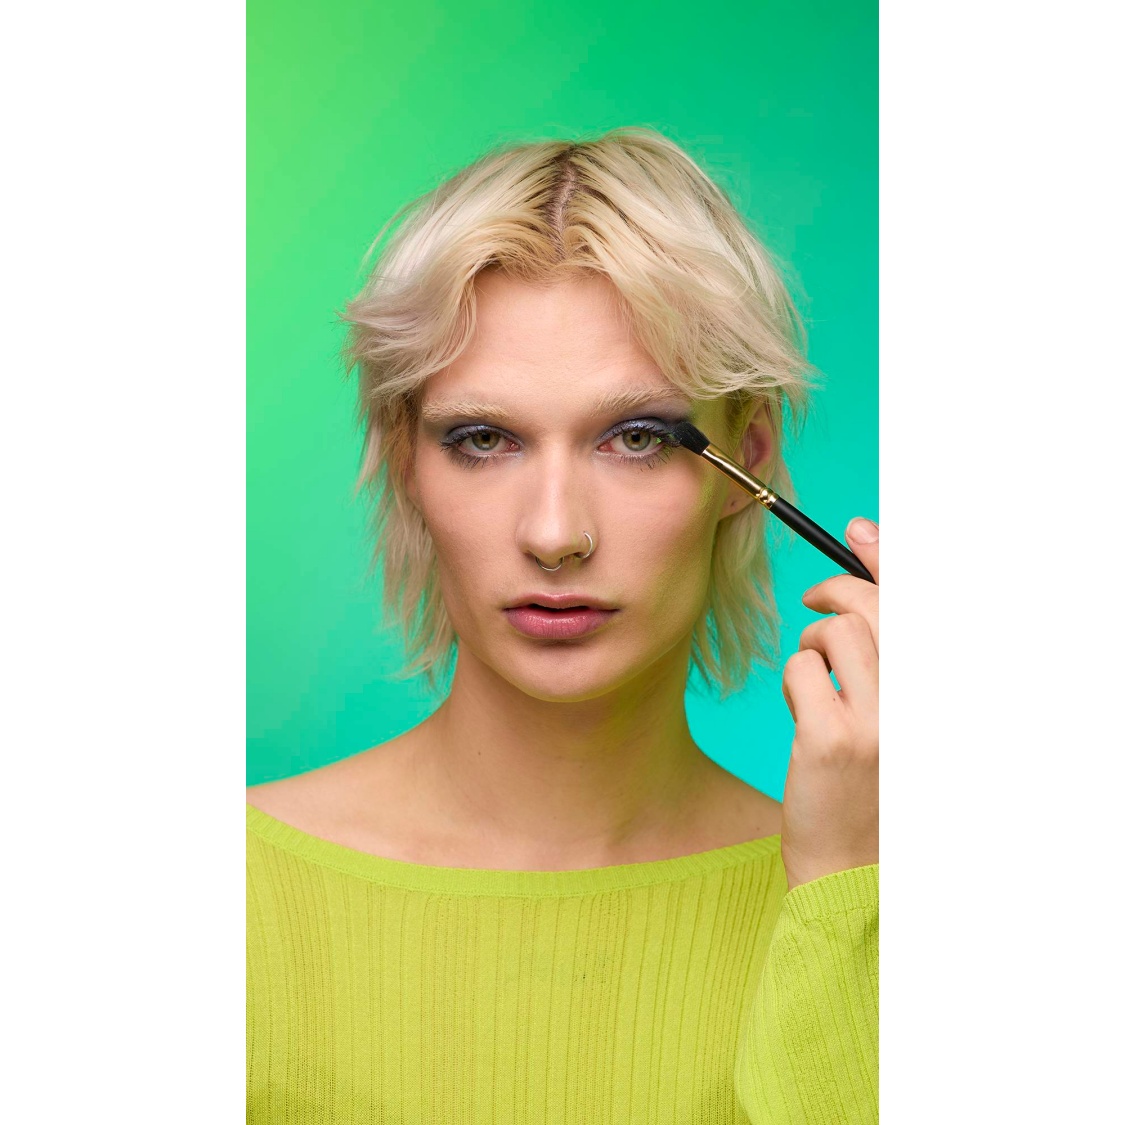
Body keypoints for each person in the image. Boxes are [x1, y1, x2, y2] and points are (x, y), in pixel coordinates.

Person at [247, 127, 879, 1123]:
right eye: (482, 438)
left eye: (637, 438)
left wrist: (849, 897)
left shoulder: (863, 899)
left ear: (747, 462)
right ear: (406, 462)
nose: (554, 534)